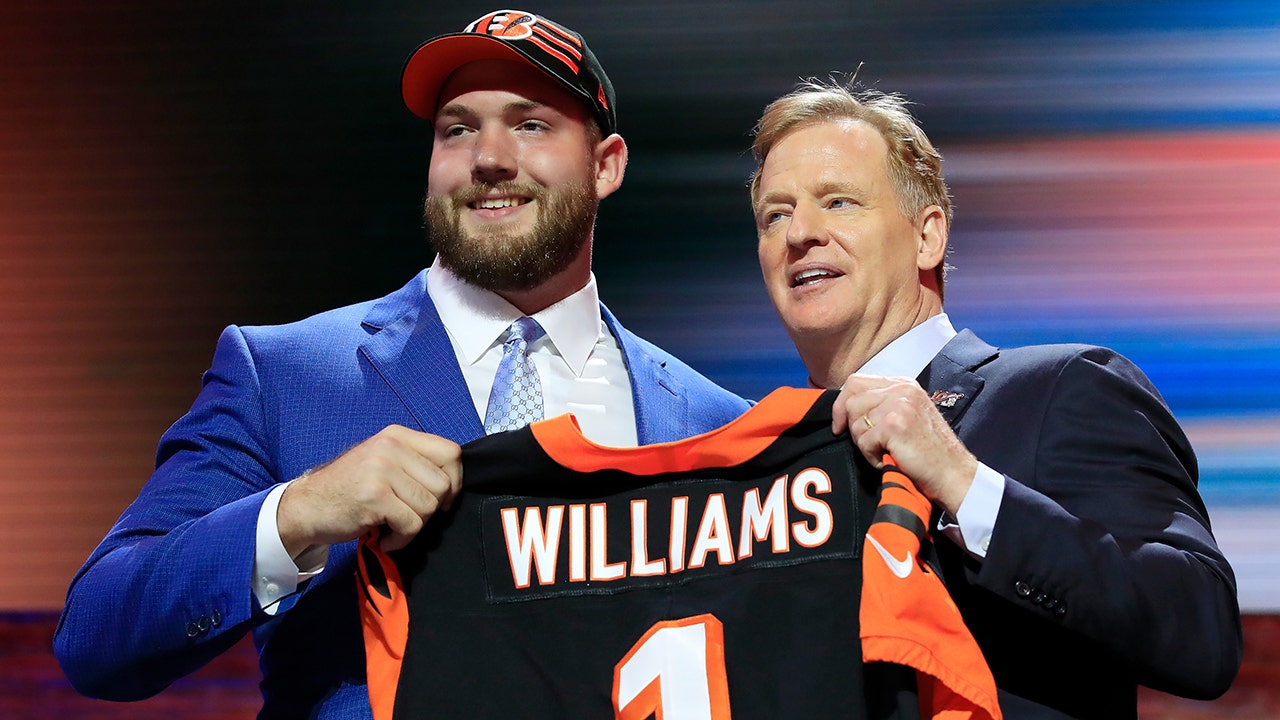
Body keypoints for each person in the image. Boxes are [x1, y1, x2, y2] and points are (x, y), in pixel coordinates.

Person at [53, 10, 749, 718]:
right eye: (457, 129)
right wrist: (300, 512)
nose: (488, 157)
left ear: (607, 166)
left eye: (530, 124)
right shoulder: (283, 374)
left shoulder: (715, 422)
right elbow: (97, 637)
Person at [748, 78, 1242, 718]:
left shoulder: (1062, 389)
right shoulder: (759, 464)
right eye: (775, 215)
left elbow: (1202, 632)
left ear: (928, 237)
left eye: (838, 202)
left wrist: (965, 483)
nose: (800, 233)